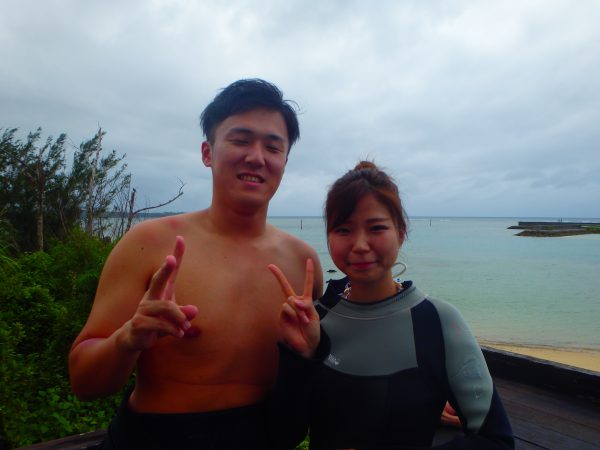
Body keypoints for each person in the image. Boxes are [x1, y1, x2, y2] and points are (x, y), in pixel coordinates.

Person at [68, 79, 323, 449]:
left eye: (273, 147)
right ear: (208, 152)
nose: (257, 157)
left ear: (284, 161)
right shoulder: (149, 243)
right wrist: (129, 338)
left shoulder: (304, 263)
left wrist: (308, 354)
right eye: (240, 140)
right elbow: (84, 382)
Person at [268, 161, 514, 449]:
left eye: (376, 228)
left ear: (401, 232)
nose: (360, 245)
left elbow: (497, 440)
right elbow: (284, 434)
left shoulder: (437, 321)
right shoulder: (315, 321)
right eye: (343, 230)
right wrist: (300, 358)